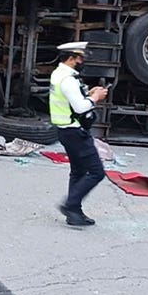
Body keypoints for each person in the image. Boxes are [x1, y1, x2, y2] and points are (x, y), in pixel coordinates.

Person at [49, 41, 110, 227]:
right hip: (75, 131)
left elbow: (68, 99)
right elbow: (80, 107)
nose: (82, 61)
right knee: (96, 172)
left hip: (65, 130)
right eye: (79, 58)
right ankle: (70, 205)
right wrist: (95, 98)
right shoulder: (67, 79)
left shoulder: (59, 74)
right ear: (70, 58)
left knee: (78, 171)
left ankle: (74, 212)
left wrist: (87, 93)